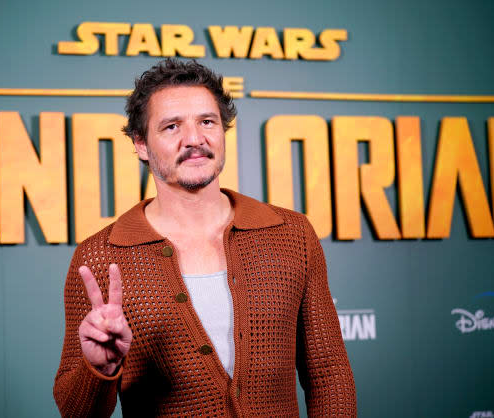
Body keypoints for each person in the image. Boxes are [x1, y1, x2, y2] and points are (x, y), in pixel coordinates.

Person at [53, 59, 356, 417]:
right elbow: (75, 412)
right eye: (171, 126)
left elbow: (329, 374)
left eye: (207, 121)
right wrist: (99, 371)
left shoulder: (292, 234)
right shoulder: (100, 258)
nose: (195, 139)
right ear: (141, 145)